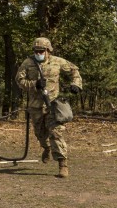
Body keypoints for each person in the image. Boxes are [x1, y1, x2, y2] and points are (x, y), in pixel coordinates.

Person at [15, 37, 83, 178]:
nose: (39, 52)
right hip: (36, 106)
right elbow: (19, 80)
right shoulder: (28, 63)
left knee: (56, 133)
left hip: (53, 105)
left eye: (41, 50)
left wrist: (76, 84)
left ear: (48, 50)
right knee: (40, 134)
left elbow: (74, 70)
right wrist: (34, 84)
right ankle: (45, 147)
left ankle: (63, 165)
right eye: (36, 50)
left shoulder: (58, 61)